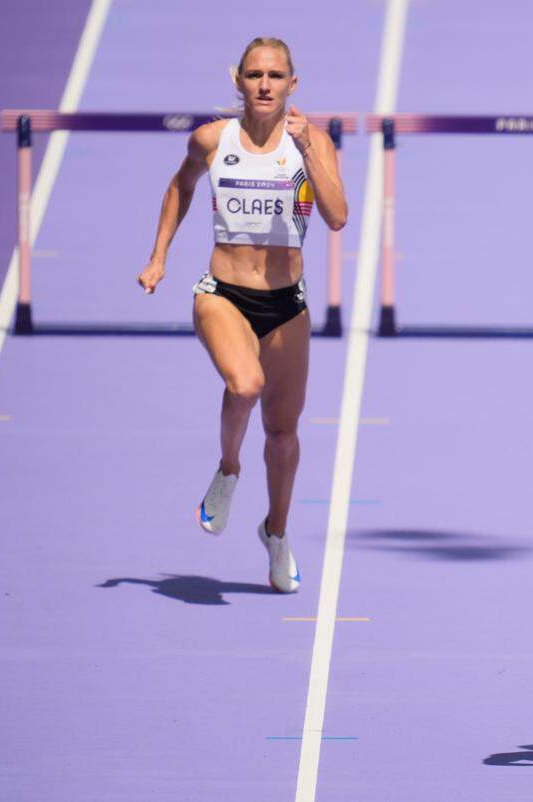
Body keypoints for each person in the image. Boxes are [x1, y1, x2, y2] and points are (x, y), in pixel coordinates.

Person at [137, 37, 347, 593]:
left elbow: (338, 215)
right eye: (254, 74)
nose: (264, 84)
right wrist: (158, 255)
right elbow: (180, 188)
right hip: (223, 293)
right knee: (245, 383)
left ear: (292, 84)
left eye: (275, 75)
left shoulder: (313, 142)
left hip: (286, 304)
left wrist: (306, 152)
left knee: (283, 434)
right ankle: (229, 470)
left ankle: (276, 532)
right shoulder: (212, 139)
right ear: (239, 81)